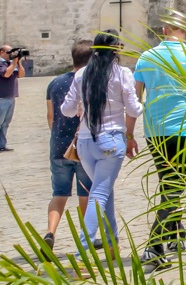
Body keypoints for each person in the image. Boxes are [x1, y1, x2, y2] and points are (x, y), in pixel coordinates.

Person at [134, 20, 186, 270]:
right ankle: (154, 244)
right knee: (175, 185)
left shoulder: (146, 57)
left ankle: (177, 231)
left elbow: (136, 98)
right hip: (183, 129)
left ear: (164, 31)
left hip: (154, 129)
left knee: (168, 181)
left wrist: (128, 131)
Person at [60, 30, 143, 251]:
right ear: (117, 50)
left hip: (85, 142)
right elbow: (133, 109)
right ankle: (83, 250)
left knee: (103, 190)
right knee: (99, 193)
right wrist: (143, 104)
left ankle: (111, 242)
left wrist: (81, 106)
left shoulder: (81, 74)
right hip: (111, 140)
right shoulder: (122, 73)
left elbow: (67, 110)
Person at [43, 39, 94, 249]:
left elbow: (50, 116)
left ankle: (50, 232)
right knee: (85, 194)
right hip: (82, 145)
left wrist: (57, 136)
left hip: (59, 145)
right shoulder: (89, 82)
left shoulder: (55, 83)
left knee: (59, 193)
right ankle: (86, 237)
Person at [0, 43, 27, 154]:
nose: (11, 54)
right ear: (2, 52)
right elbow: (6, 74)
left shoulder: (11, 64)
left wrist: (18, 62)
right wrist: (14, 62)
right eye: (9, 52)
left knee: (5, 123)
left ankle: (2, 145)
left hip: (11, 97)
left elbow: (22, 74)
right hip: (0, 98)